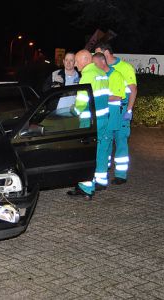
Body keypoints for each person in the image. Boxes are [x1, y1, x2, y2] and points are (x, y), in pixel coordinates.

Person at [67, 50, 110, 200]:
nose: (76, 64)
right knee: (100, 151)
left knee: (86, 153)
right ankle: (99, 181)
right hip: (103, 119)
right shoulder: (102, 73)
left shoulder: (87, 75)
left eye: (77, 61)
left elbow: (81, 101)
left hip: (89, 121)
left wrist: (73, 110)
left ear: (85, 60)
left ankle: (86, 187)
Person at [95, 43, 137, 184]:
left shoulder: (125, 68)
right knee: (106, 141)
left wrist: (129, 110)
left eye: (98, 53)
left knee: (120, 141)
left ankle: (120, 174)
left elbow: (133, 90)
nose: (95, 57)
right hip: (107, 110)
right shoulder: (100, 68)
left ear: (106, 53)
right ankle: (103, 170)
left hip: (121, 109)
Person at [92, 52, 126, 190]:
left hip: (112, 116)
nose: (93, 66)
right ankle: (101, 174)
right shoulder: (100, 75)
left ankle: (102, 180)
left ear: (102, 62)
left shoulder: (116, 75)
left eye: (94, 64)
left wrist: (98, 99)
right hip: (103, 115)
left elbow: (118, 96)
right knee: (102, 148)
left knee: (105, 147)